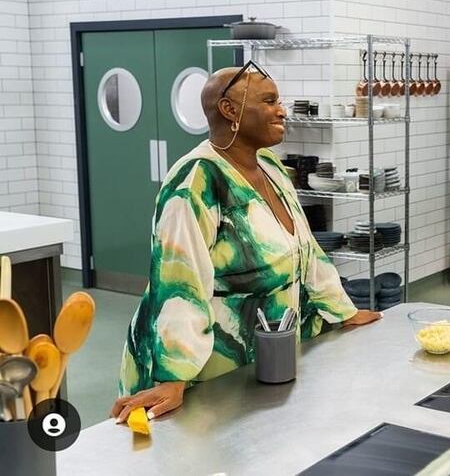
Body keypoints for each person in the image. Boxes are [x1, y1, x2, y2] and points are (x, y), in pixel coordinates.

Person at [111, 61, 380, 423]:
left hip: (262, 359)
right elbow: (178, 282)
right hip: (200, 372)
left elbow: (307, 251)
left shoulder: (269, 165)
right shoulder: (195, 182)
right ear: (229, 110)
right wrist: (173, 376)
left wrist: (343, 312)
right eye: (269, 101)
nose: (282, 110)